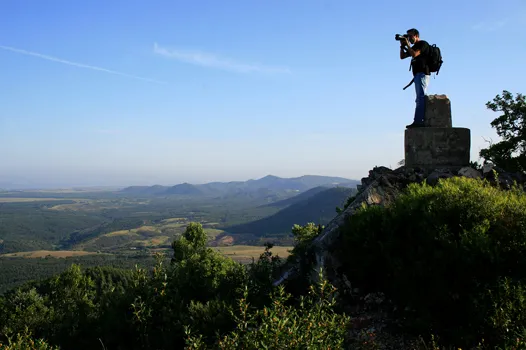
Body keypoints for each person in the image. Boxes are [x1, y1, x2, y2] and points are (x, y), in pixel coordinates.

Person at [400, 28, 430, 128]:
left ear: (416, 36)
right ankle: (418, 120)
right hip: (417, 75)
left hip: (422, 74)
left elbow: (414, 54)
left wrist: (408, 45)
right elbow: (402, 56)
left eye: (410, 36)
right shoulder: (413, 46)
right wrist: (402, 45)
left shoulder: (423, 44)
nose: (409, 38)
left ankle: (419, 121)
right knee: (419, 98)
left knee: (420, 98)